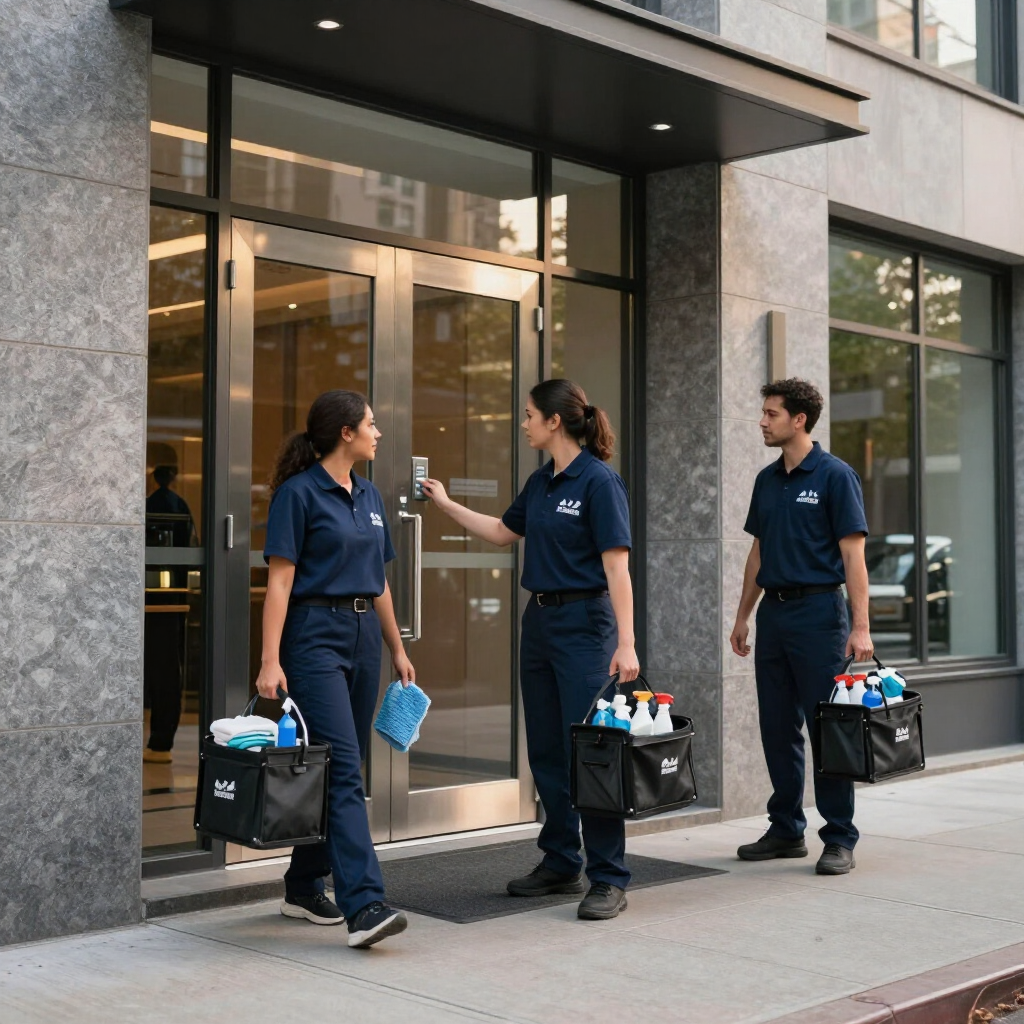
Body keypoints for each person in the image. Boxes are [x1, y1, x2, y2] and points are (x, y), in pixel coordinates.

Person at [421, 378, 640, 921]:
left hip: (587, 625)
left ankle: (609, 877)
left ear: (554, 421)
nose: (523, 424)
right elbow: (501, 532)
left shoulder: (599, 482)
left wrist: (627, 642)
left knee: (591, 750)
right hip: (539, 620)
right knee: (544, 747)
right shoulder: (541, 482)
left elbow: (618, 568)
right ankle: (562, 860)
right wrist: (446, 504)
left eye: (527, 415)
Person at [255, 389, 415, 948]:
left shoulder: (368, 493)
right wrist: (269, 659)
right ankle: (365, 905)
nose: (378, 433)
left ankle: (302, 885)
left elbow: (381, 580)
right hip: (313, 638)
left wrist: (396, 648)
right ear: (345, 433)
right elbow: (279, 581)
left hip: (364, 636)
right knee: (344, 769)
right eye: (372, 424)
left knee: (334, 768)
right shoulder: (297, 496)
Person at [729, 378, 873, 876]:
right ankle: (786, 828)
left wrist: (861, 627)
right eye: (763, 412)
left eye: (771, 413)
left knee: (826, 729)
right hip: (775, 614)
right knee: (776, 725)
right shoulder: (767, 481)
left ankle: (839, 837)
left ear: (799, 420)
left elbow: (853, 556)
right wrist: (744, 614)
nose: (762, 421)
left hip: (819, 616)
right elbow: (758, 552)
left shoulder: (835, 476)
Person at [143, 464, 196, 764]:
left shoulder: (153, 505)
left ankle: (161, 741)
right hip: (175, 594)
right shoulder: (180, 505)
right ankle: (162, 739)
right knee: (168, 668)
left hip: (157, 598)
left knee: (161, 669)